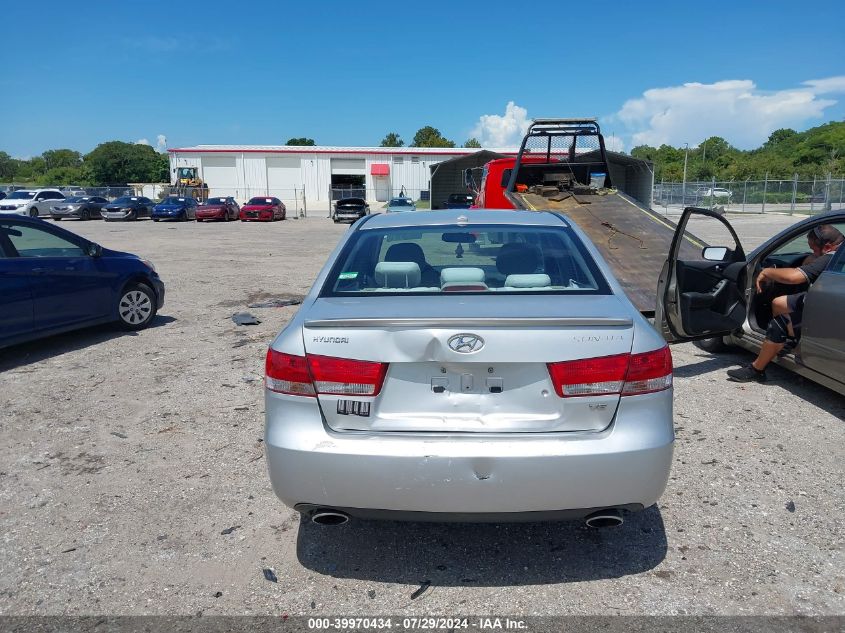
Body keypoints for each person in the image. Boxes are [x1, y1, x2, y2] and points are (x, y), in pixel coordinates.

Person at [727, 224, 843, 383]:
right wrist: (812, 257)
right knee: (779, 303)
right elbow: (813, 261)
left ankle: (757, 369)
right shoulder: (838, 254)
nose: (813, 253)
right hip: (833, 299)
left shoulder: (830, 257)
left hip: (830, 302)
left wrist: (766, 272)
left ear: (829, 246)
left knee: (779, 324)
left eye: (814, 249)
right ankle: (790, 341)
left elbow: (793, 277)